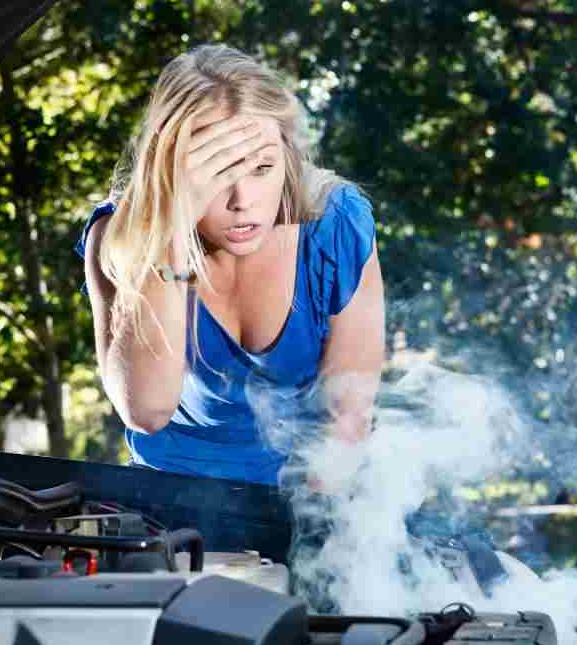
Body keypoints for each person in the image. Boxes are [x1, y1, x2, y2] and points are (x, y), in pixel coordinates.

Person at [75, 44, 385, 487]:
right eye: (218, 174)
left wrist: (310, 540)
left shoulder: (335, 225)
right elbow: (146, 411)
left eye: (262, 168)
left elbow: (348, 422)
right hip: (170, 506)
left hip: (307, 503)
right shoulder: (119, 235)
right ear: (171, 171)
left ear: (287, 157)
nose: (243, 202)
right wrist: (170, 233)